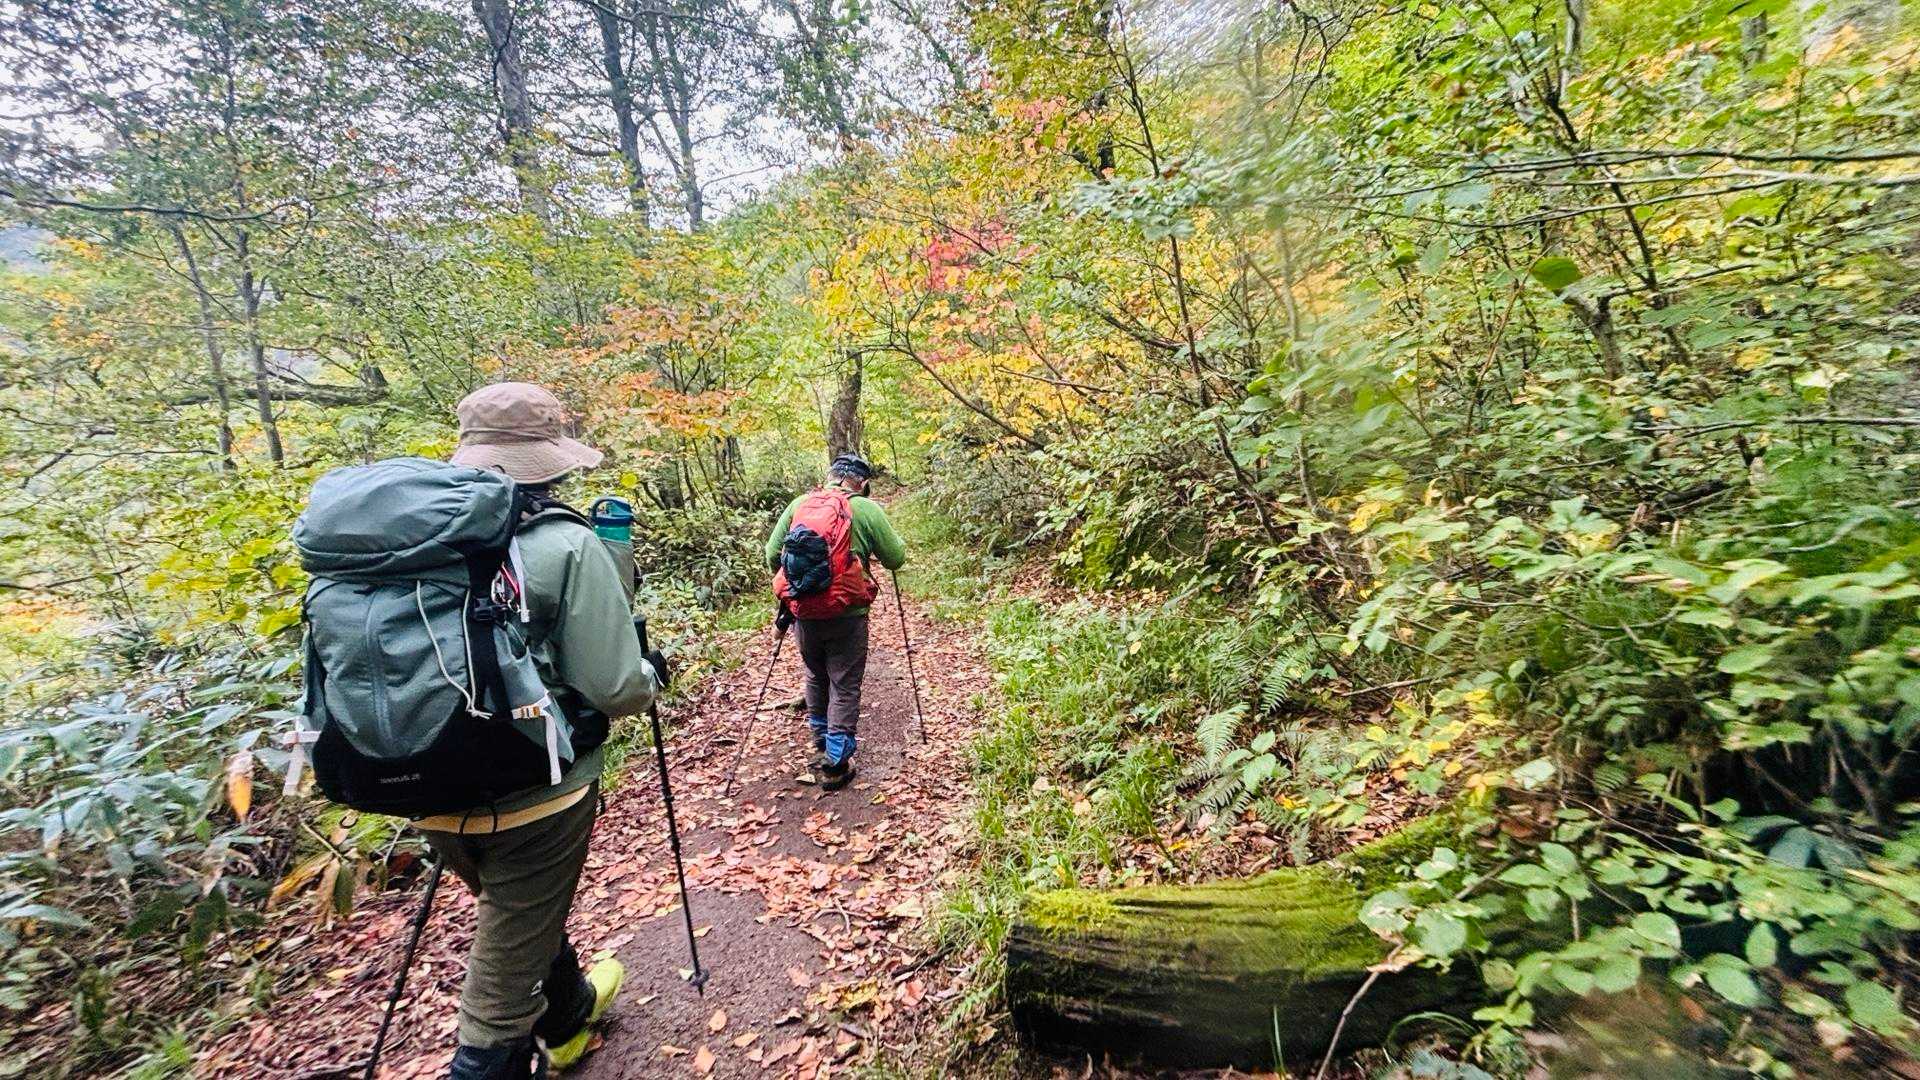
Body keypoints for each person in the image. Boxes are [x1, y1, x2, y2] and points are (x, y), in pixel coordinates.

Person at [425, 382, 666, 1079]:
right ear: (550, 462)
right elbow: (616, 688)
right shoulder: (566, 542)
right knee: (496, 1000)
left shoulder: (411, 544)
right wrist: (651, 674)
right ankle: (496, 1057)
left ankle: (566, 1018)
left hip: (419, 780)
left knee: (519, 912)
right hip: (536, 787)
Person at [763, 453, 907, 791]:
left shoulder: (799, 504)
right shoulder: (867, 510)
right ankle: (837, 763)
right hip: (847, 613)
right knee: (844, 681)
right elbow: (895, 558)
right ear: (863, 483)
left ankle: (821, 741)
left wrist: (801, 586)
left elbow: (772, 554)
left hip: (804, 613)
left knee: (815, 674)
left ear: (830, 475)